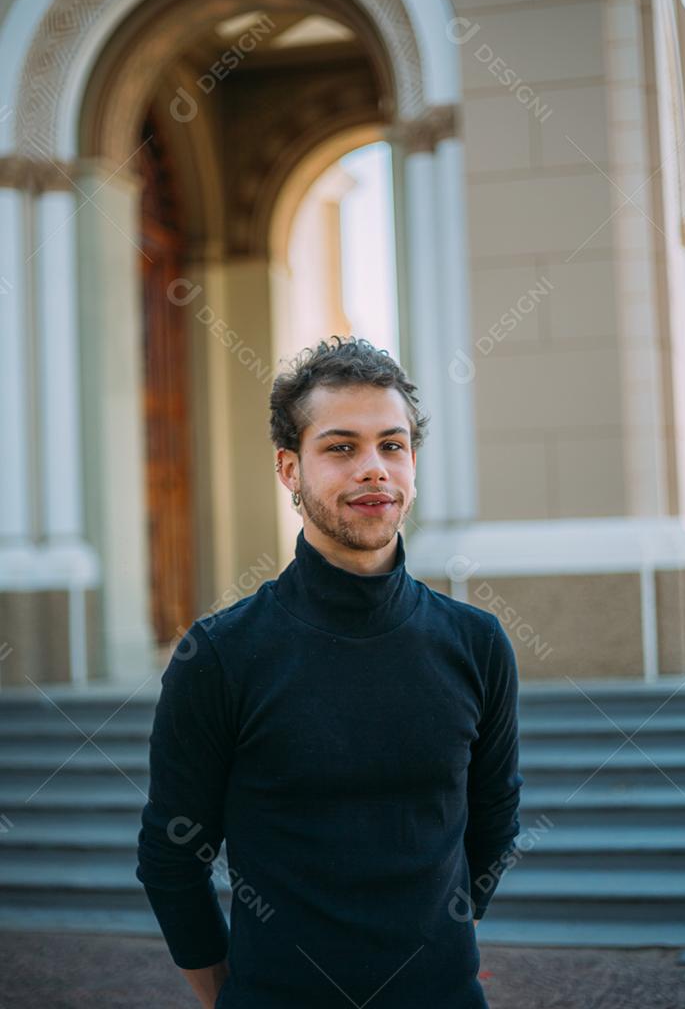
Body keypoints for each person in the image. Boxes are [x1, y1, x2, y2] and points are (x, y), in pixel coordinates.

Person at [136, 335, 524, 1008]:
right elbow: (171, 857)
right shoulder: (221, 655)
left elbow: (494, 824)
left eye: (392, 445)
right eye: (341, 447)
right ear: (289, 469)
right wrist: (231, 995)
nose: (373, 469)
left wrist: (433, 954)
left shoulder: (477, 642)